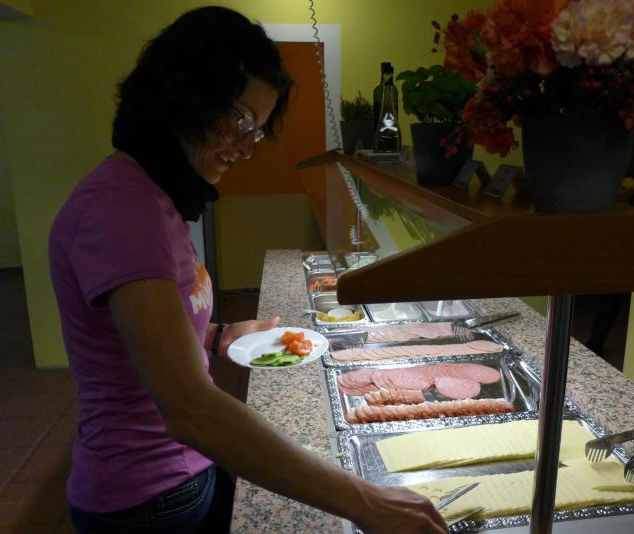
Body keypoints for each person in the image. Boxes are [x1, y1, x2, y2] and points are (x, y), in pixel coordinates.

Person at [48, 6, 447, 534]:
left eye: (255, 132)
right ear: (187, 92)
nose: (245, 147)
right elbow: (191, 410)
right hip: (145, 499)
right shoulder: (122, 209)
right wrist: (366, 502)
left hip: (182, 476)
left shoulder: (154, 197)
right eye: (241, 121)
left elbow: (144, 329)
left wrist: (215, 335)